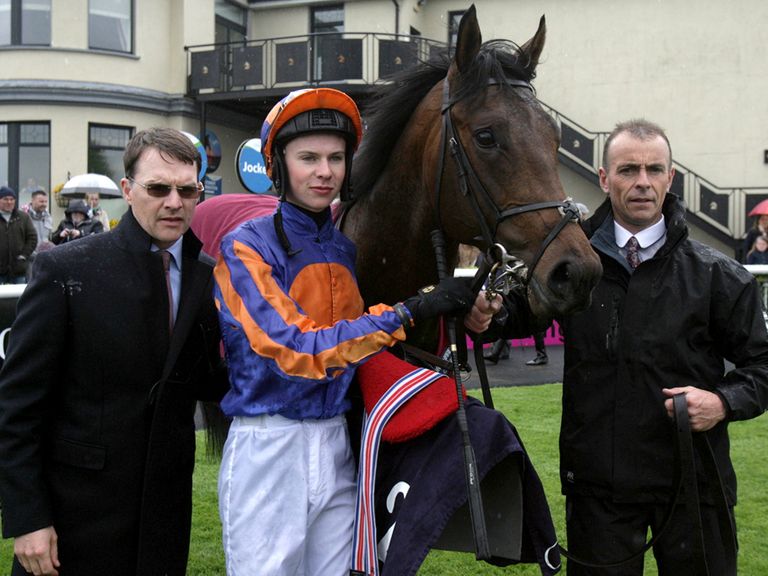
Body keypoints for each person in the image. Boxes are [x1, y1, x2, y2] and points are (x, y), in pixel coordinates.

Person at [213, 88, 500, 576]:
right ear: (278, 167)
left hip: (338, 444)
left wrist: (458, 307)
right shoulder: (245, 246)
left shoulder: (344, 250)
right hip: (270, 446)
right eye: (308, 158)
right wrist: (411, 310)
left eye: (335, 158)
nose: (324, 171)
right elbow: (295, 349)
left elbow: (362, 344)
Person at [0, 127, 229, 576]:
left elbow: (206, 378)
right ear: (127, 190)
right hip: (74, 519)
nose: (174, 202)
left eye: (188, 190)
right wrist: (29, 518)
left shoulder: (208, 274)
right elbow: (17, 407)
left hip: (164, 517)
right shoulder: (64, 269)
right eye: (159, 188)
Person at [550, 119, 768, 575]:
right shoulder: (571, 265)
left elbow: (763, 365)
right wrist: (485, 311)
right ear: (604, 178)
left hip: (695, 485)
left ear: (671, 178)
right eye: (628, 170)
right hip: (598, 492)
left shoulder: (718, 276)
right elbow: (506, 315)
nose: (643, 182)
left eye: (654, 169)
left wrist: (723, 402)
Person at [0, 186, 37, 284]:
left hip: (18, 269)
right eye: (5, 199)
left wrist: (24, 255)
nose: (9, 202)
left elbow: (32, 238)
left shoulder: (23, 217)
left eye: (12, 199)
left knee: (19, 298)